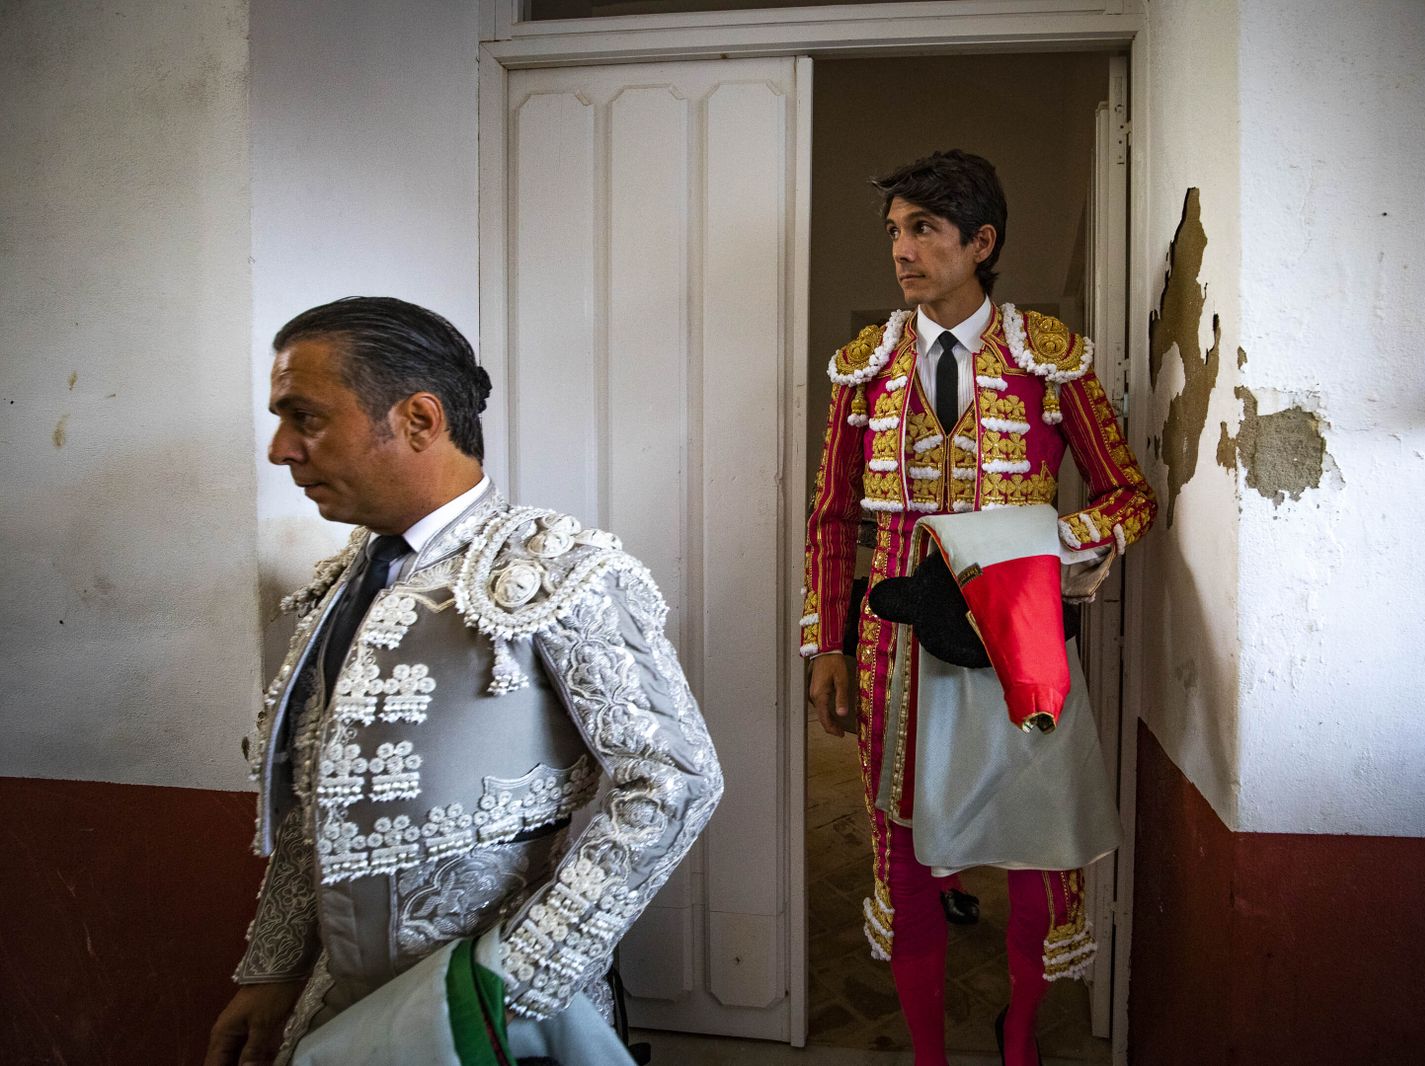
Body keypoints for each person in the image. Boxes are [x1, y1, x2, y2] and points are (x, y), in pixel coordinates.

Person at [206, 297, 722, 1066]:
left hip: (496, 1002)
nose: (282, 449)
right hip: (340, 1000)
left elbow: (673, 779)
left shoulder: (559, 569)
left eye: (304, 418)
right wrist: (276, 968)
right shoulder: (344, 579)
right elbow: (314, 798)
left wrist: (513, 978)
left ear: (419, 419)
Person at [801, 150, 1156, 1065]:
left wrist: (1040, 549)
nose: (901, 250)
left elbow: (1129, 497)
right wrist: (826, 646)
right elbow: (832, 517)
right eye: (895, 231)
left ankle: (1020, 1038)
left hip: (1019, 642)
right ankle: (929, 1055)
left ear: (981, 242)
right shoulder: (864, 369)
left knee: (1036, 858)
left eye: (923, 229)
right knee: (906, 865)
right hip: (895, 651)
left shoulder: (1048, 358)